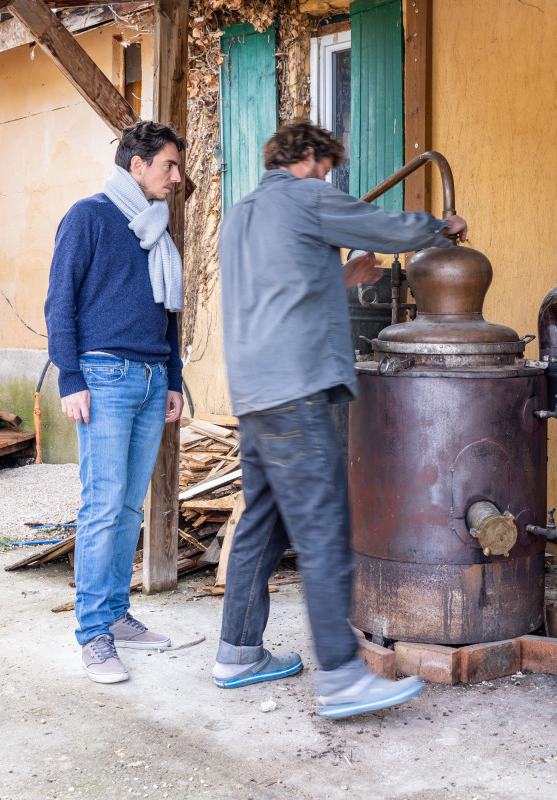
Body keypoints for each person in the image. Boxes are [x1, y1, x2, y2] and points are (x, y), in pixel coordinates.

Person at [215, 121, 467, 718]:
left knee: (264, 523)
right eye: (326, 167)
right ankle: (341, 677)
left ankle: (237, 652)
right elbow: (382, 225)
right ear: (305, 157)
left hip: (255, 396)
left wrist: (346, 277)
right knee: (326, 530)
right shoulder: (303, 195)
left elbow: (279, 292)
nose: (328, 177)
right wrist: (441, 225)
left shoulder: (242, 216)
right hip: (298, 392)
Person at [44, 121, 187, 684]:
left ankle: (115, 614)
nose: (177, 176)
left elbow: (168, 316)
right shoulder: (89, 216)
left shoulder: (157, 230)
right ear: (138, 166)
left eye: (177, 166)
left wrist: (173, 377)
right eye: (168, 165)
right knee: (102, 505)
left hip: (152, 379)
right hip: (103, 377)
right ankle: (92, 636)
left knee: (129, 507)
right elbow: (60, 303)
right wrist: (70, 378)